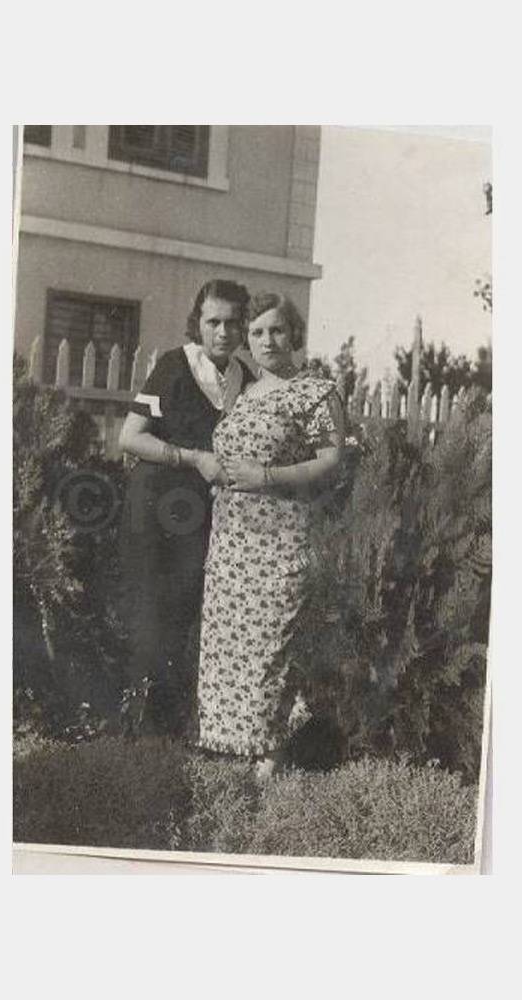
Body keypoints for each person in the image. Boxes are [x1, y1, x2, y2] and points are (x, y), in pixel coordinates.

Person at [196, 292, 345, 779]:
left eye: (277, 330)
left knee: (269, 647)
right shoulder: (245, 392)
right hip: (231, 541)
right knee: (229, 647)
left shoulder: (315, 393)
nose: (267, 340)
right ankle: (232, 753)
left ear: (294, 334)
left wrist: (267, 477)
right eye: (257, 332)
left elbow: (330, 460)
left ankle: (268, 762)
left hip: (280, 541)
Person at [118, 279, 254, 735]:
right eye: (213, 321)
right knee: (151, 614)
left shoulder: (244, 379)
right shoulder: (174, 368)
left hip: (203, 517)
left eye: (232, 323)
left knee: (187, 614)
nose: (222, 332)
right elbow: (130, 437)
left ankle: (172, 727)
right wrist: (193, 458)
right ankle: (138, 730)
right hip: (156, 510)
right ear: (198, 322)